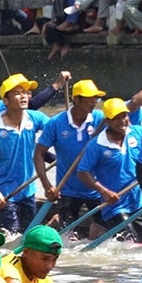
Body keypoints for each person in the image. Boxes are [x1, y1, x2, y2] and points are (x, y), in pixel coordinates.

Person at [0, 74, 51, 233]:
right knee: (11, 237)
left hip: (28, 190)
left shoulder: (34, 118)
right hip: (6, 192)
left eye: (26, 92)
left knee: (28, 233)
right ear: (5, 101)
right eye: (17, 93)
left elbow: (57, 131)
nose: (24, 96)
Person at [34, 79, 106, 230]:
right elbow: (39, 154)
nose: (93, 102)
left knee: (108, 232)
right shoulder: (56, 123)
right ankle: (55, 222)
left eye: (95, 98)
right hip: (68, 189)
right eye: (89, 98)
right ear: (76, 99)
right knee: (67, 235)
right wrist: (47, 186)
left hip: (98, 188)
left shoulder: (100, 119)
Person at [78, 97, 142, 242]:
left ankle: (99, 228)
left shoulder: (138, 133)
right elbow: (83, 172)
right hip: (115, 206)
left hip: (138, 200)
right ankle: (100, 226)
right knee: (131, 244)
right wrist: (104, 192)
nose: (122, 121)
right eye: (116, 118)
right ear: (107, 121)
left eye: (123, 116)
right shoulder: (96, 145)